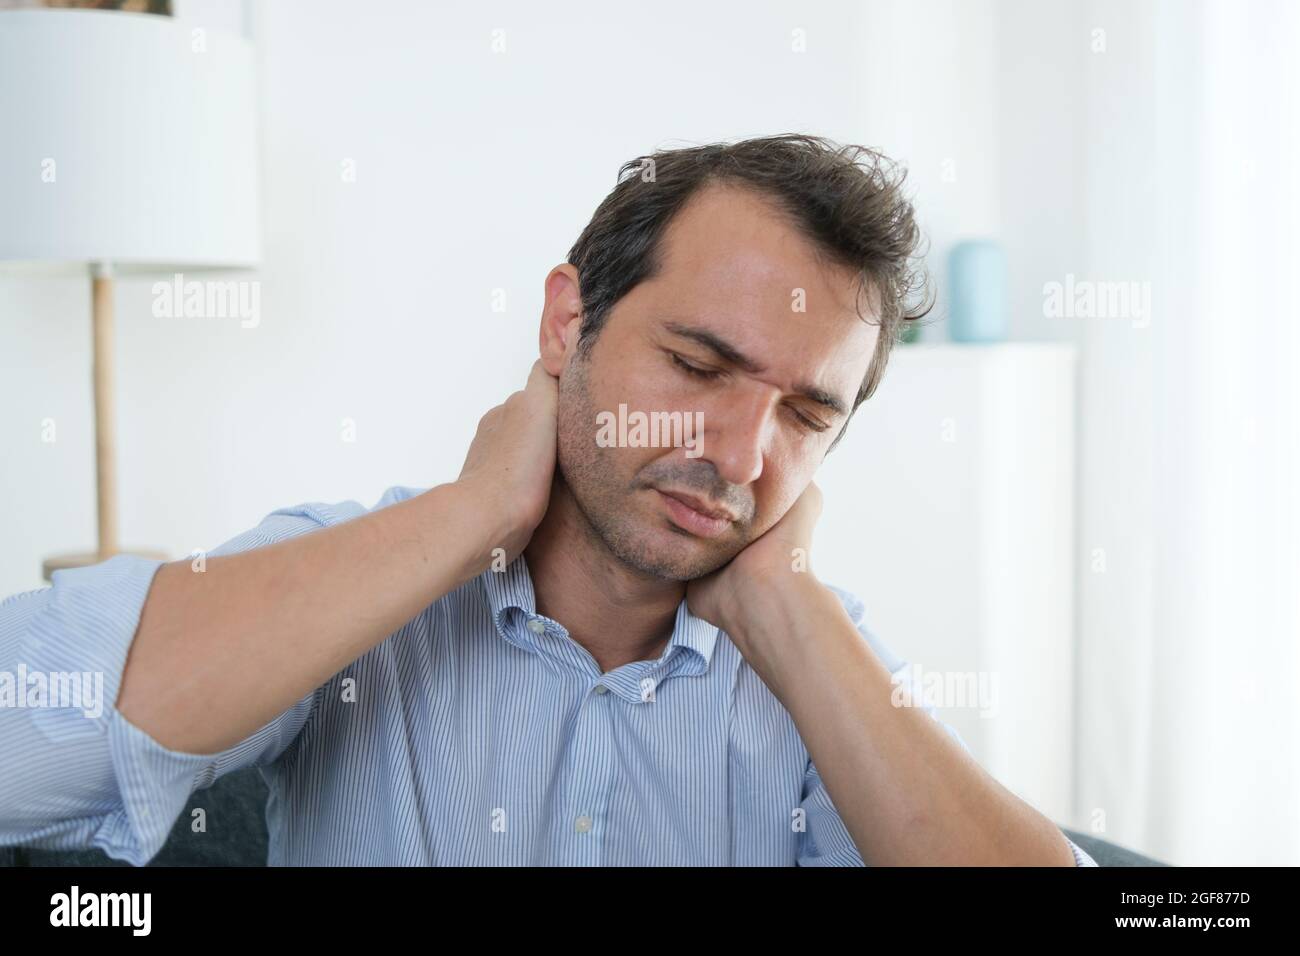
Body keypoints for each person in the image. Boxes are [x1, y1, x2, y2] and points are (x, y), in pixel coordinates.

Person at [0, 134, 1096, 866]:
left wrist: (791, 610)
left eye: (806, 415)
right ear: (567, 324)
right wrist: (472, 513)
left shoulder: (815, 662)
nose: (739, 452)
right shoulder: (361, 572)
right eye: (699, 364)